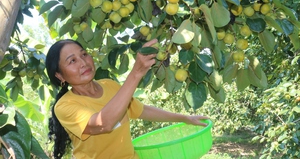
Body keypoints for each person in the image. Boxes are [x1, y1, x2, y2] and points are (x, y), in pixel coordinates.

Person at [45, 38, 209, 159]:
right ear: (59, 75)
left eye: (84, 54)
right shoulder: (65, 106)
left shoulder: (109, 85)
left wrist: (184, 118)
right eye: (72, 61)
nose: (83, 62)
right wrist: (136, 73)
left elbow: (141, 110)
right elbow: (104, 123)